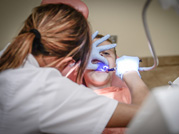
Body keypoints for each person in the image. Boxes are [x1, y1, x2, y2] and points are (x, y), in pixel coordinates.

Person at [0, 3, 149, 134]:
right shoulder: (55, 90)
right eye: (88, 55)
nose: (99, 59)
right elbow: (146, 114)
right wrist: (131, 72)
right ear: (72, 63)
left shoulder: (8, 54)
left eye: (106, 53)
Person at [83, 34, 131, 134]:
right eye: (91, 53)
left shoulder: (130, 94)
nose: (99, 57)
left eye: (106, 53)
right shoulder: (75, 99)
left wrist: (132, 76)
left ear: (115, 65)